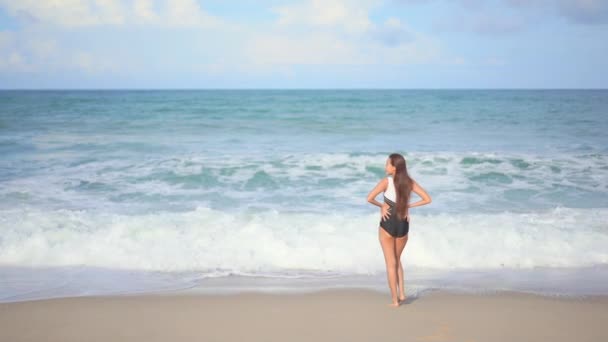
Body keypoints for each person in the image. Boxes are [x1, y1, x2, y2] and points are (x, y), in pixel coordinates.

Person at [367, 153, 432, 307]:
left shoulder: (386, 182)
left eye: (387, 164)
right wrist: (408, 206)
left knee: (390, 263)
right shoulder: (409, 182)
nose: (385, 167)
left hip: (388, 222)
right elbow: (427, 199)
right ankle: (402, 294)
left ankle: (395, 301)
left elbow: (369, 198)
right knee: (397, 260)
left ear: (394, 167)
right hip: (403, 223)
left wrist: (382, 206)